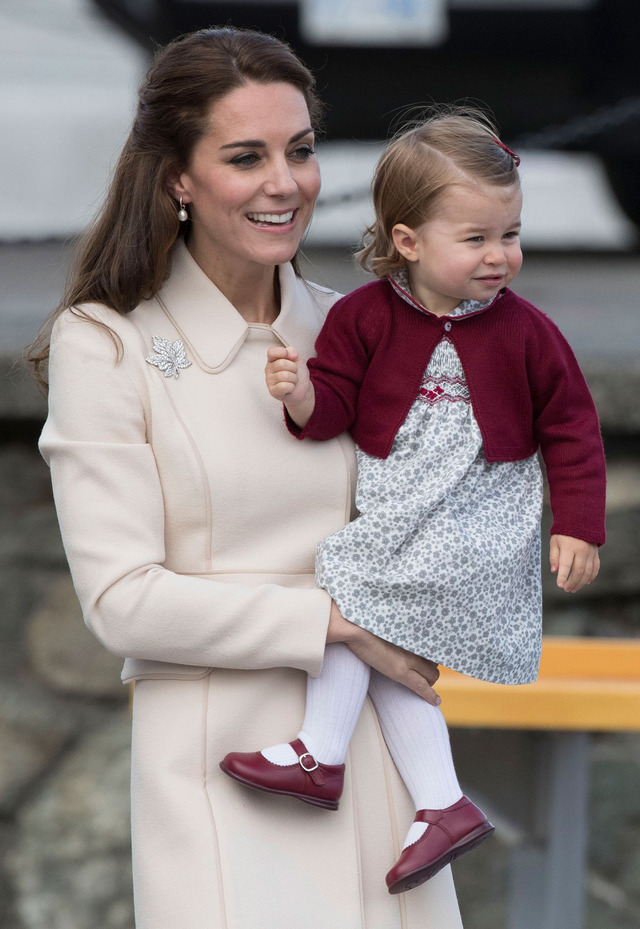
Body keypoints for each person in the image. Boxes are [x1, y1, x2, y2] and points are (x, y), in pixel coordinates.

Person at [29, 27, 466, 929]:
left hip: (381, 772)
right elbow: (122, 600)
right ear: (176, 178)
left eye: (300, 150)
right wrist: (342, 623)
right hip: (222, 774)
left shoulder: (363, 327)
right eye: (245, 157)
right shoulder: (105, 343)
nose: (285, 182)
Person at [219, 109, 607, 895]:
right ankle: (440, 802)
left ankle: (321, 753)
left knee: (348, 587)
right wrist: (299, 397)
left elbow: (572, 425)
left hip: (476, 521)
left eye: (511, 234)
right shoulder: (364, 317)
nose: (500, 255)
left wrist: (578, 526)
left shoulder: (527, 331)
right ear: (408, 240)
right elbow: (333, 407)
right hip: (404, 515)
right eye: (477, 238)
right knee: (380, 638)